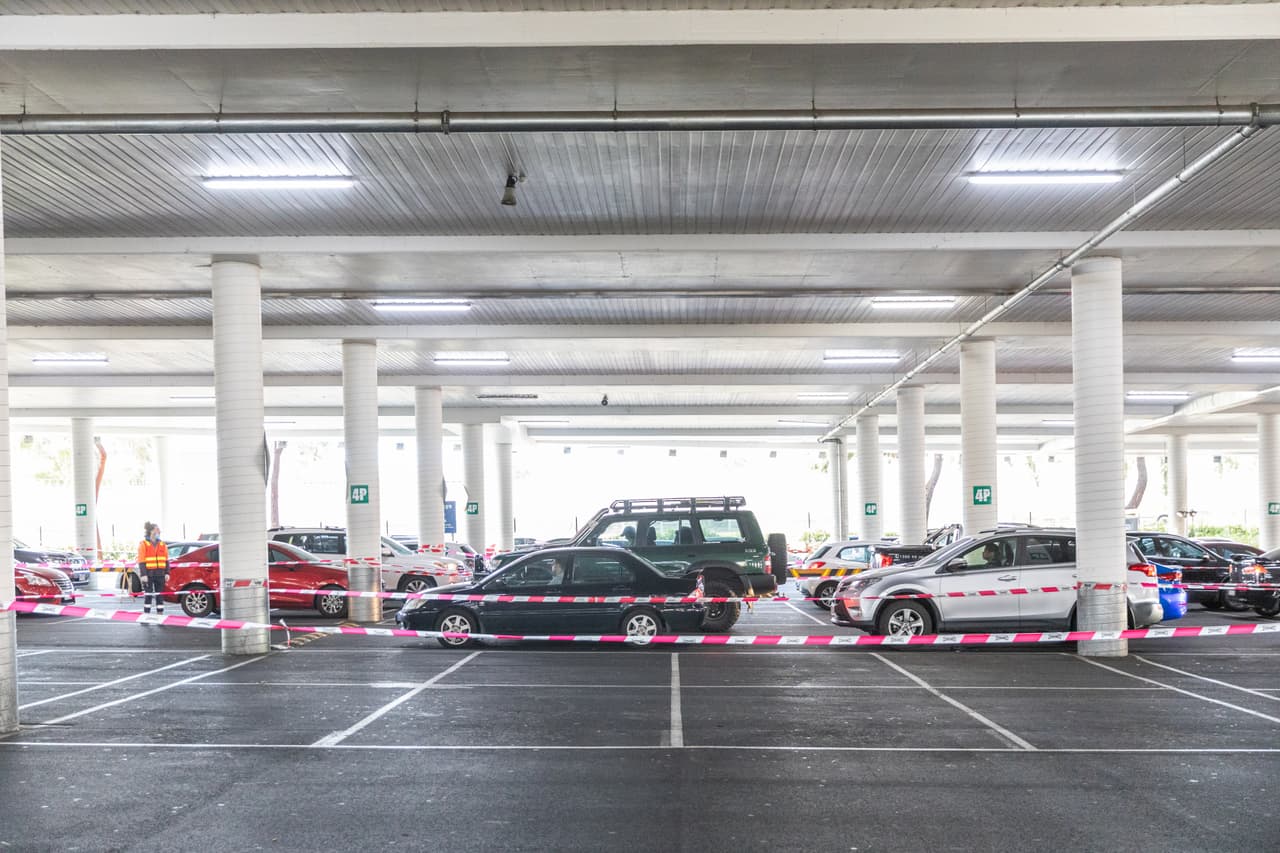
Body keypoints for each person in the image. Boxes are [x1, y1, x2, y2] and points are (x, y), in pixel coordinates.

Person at [137, 521, 170, 615]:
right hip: (148, 574)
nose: (159, 531)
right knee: (148, 595)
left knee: (160, 596)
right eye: (157, 529)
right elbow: (141, 560)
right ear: (151, 531)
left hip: (160, 574)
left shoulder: (163, 545)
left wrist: (167, 573)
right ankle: (146, 615)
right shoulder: (143, 544)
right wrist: (143, 575)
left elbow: (167, 560)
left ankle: (160, 615)